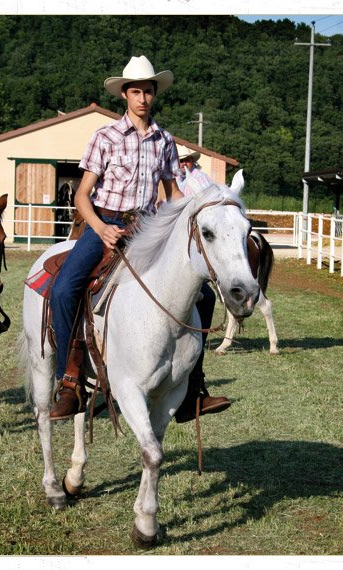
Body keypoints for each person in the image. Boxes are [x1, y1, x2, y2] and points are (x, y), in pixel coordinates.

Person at [48, 55, 230, 423]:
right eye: (136, 92)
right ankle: (68, 381)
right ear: (125, 95)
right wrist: (100, 228)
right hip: (105, 224)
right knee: (64, 290)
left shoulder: (165, 141)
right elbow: (82, 195)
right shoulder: (105, 137)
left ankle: (193, 388)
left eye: (148, 91)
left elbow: (173, 194)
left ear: (154, 94)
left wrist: (199, 209)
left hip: (147, 228)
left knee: (205, 295)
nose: (143, 98)